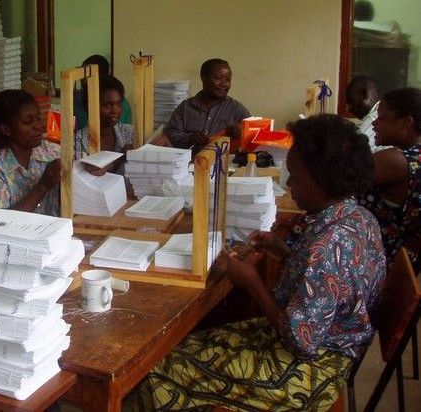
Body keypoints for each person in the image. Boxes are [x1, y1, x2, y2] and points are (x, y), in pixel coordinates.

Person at [134, 114, 385, 411]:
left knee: (160, 370)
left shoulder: (327, 245)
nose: (289, 183)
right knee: (185, 345)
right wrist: (288, 254)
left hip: (309, 370)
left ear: (323, 182)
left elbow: (300, 342)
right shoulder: (358, 218)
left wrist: (251, 281)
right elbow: (333, 288)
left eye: (295, 176)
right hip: (331, 344)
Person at [358, 87, 421, 273]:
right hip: (406, 266)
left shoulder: (397, 161)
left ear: (406, 122)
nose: (375, 124)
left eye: (382, 118)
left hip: (384, 268)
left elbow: (331, 177)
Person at [0, 89, 61, 216]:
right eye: (28, 122)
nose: (38, 126)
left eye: (38, 119)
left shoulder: (50, 151)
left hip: (54, 231)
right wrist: (43, 185)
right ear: (6, 129)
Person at [164, 58, 250, 152]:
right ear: (203, 78)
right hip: (190, 164)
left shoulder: (236, 108)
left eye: (228, 80)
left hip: (224, 164)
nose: (224, 84)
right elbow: (170, 134)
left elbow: (255, 133)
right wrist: (189, 138)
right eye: (218, 78)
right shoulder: (186, 107)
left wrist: (242, 132)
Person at [74, 75, 134, 175]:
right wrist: (120, 158)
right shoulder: (78, 142)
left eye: (119, 103)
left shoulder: (128, 133)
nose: (115, 110)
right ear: (90, 107)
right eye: (108, 105)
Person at [74, 54, 132, 132]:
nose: (82, 79)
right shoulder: (77, 99)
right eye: (83, 74)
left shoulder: (120, 104)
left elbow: (119, 133)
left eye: (87, 76)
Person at [346, 75, 383, 151]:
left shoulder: (374, 118)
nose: (348, 109)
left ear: (363, 95)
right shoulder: (381, 112)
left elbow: (351, 153)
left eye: (351, 102)